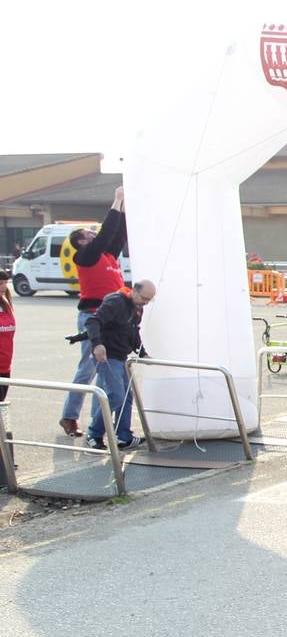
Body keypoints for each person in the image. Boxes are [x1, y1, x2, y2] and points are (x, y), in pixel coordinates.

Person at [60, 186, 127, 438]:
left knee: (106, 369)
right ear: (81, 242)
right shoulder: (85, 256)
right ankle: (69, 416)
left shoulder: (108, 256)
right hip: (92, 315)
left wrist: (124, 209)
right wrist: (117, 200)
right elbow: (106, 232)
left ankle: (97, 423)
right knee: (87, 368)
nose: (95, 234)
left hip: (112, 318)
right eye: (90, 233)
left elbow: (118, 234)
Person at [84, 280, 155, 451]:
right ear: (135, 291)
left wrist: (141, 351)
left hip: (121, 356)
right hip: (108, 355)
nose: (145, 302)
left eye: (149, 300)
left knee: (126, 397)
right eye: (144, 298)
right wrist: (97, 344)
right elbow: (93, 321)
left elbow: (133, 330)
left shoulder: (137, 307)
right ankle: (94, 434)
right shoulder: (115, 302)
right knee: (116, 396)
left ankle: (124, 436)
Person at [0, 269, 14, 403]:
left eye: (5, 282)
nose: (4, 286)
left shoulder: (6, 304)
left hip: (6, 365)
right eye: (0, 283)